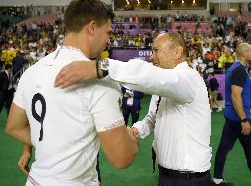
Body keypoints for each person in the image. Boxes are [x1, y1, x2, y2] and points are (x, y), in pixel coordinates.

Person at [5, 0, 138, 186]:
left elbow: (14, 127)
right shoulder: (100, 81)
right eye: (108, 32)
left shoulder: (32, 71)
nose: (109, 40)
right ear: (92, 27)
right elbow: (121, 158)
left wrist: (51, 142)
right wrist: (132, 140)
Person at [54, 32, 212, 186]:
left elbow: (149, 76)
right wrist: (137, 130)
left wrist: (101, 67)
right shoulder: (167, 84)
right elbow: (152, 118)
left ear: (178, 52)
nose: (152, 56)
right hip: (167, 174)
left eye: (156, 50)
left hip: (189, 179)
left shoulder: (189, 79)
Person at [212, 43, 251, 186]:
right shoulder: (239, 70)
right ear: (245, 54)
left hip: (231, 117)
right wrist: (244, 119)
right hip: (238, 118)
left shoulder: (235, 68)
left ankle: (217, 179)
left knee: (224, 147)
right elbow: (235, 96)